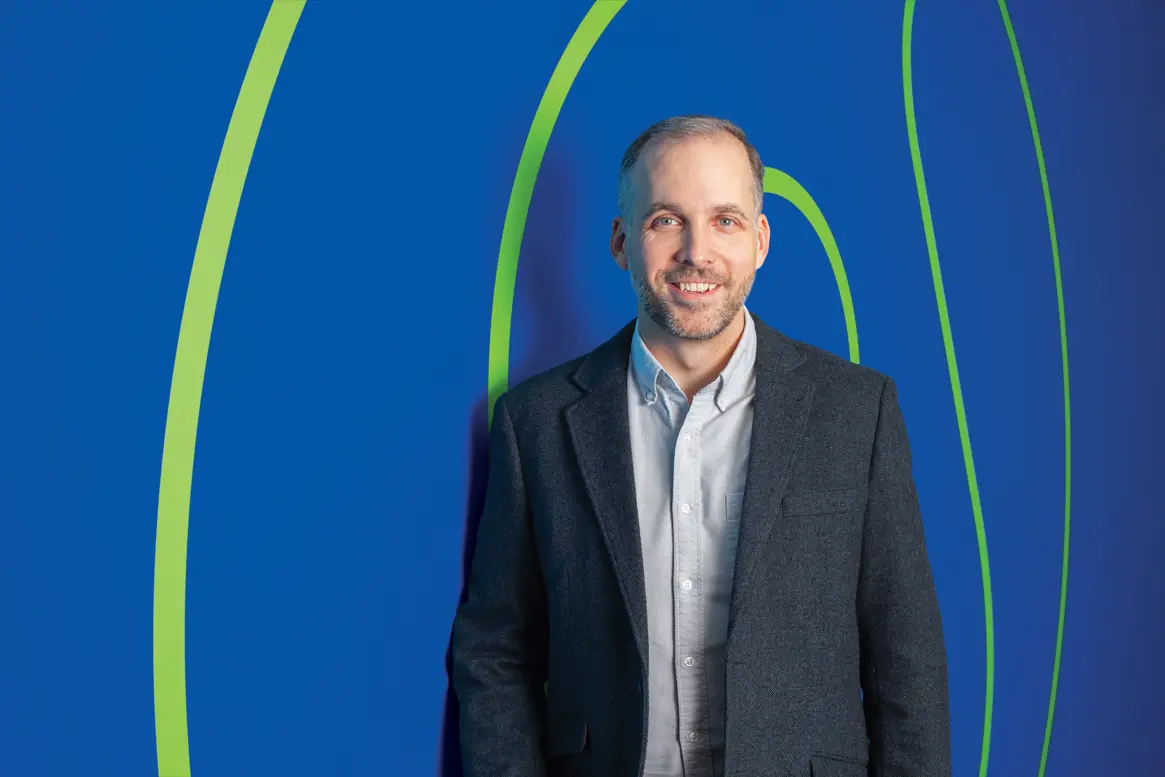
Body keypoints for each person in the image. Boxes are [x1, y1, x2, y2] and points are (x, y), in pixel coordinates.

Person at [450, 115, 950, 777]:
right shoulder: (536, 424)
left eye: (724, 220)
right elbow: (495, 650)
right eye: (666, 220)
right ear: (621, 241)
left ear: (759, 240)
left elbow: (906, 657)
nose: (696, 251)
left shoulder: (857, 412)